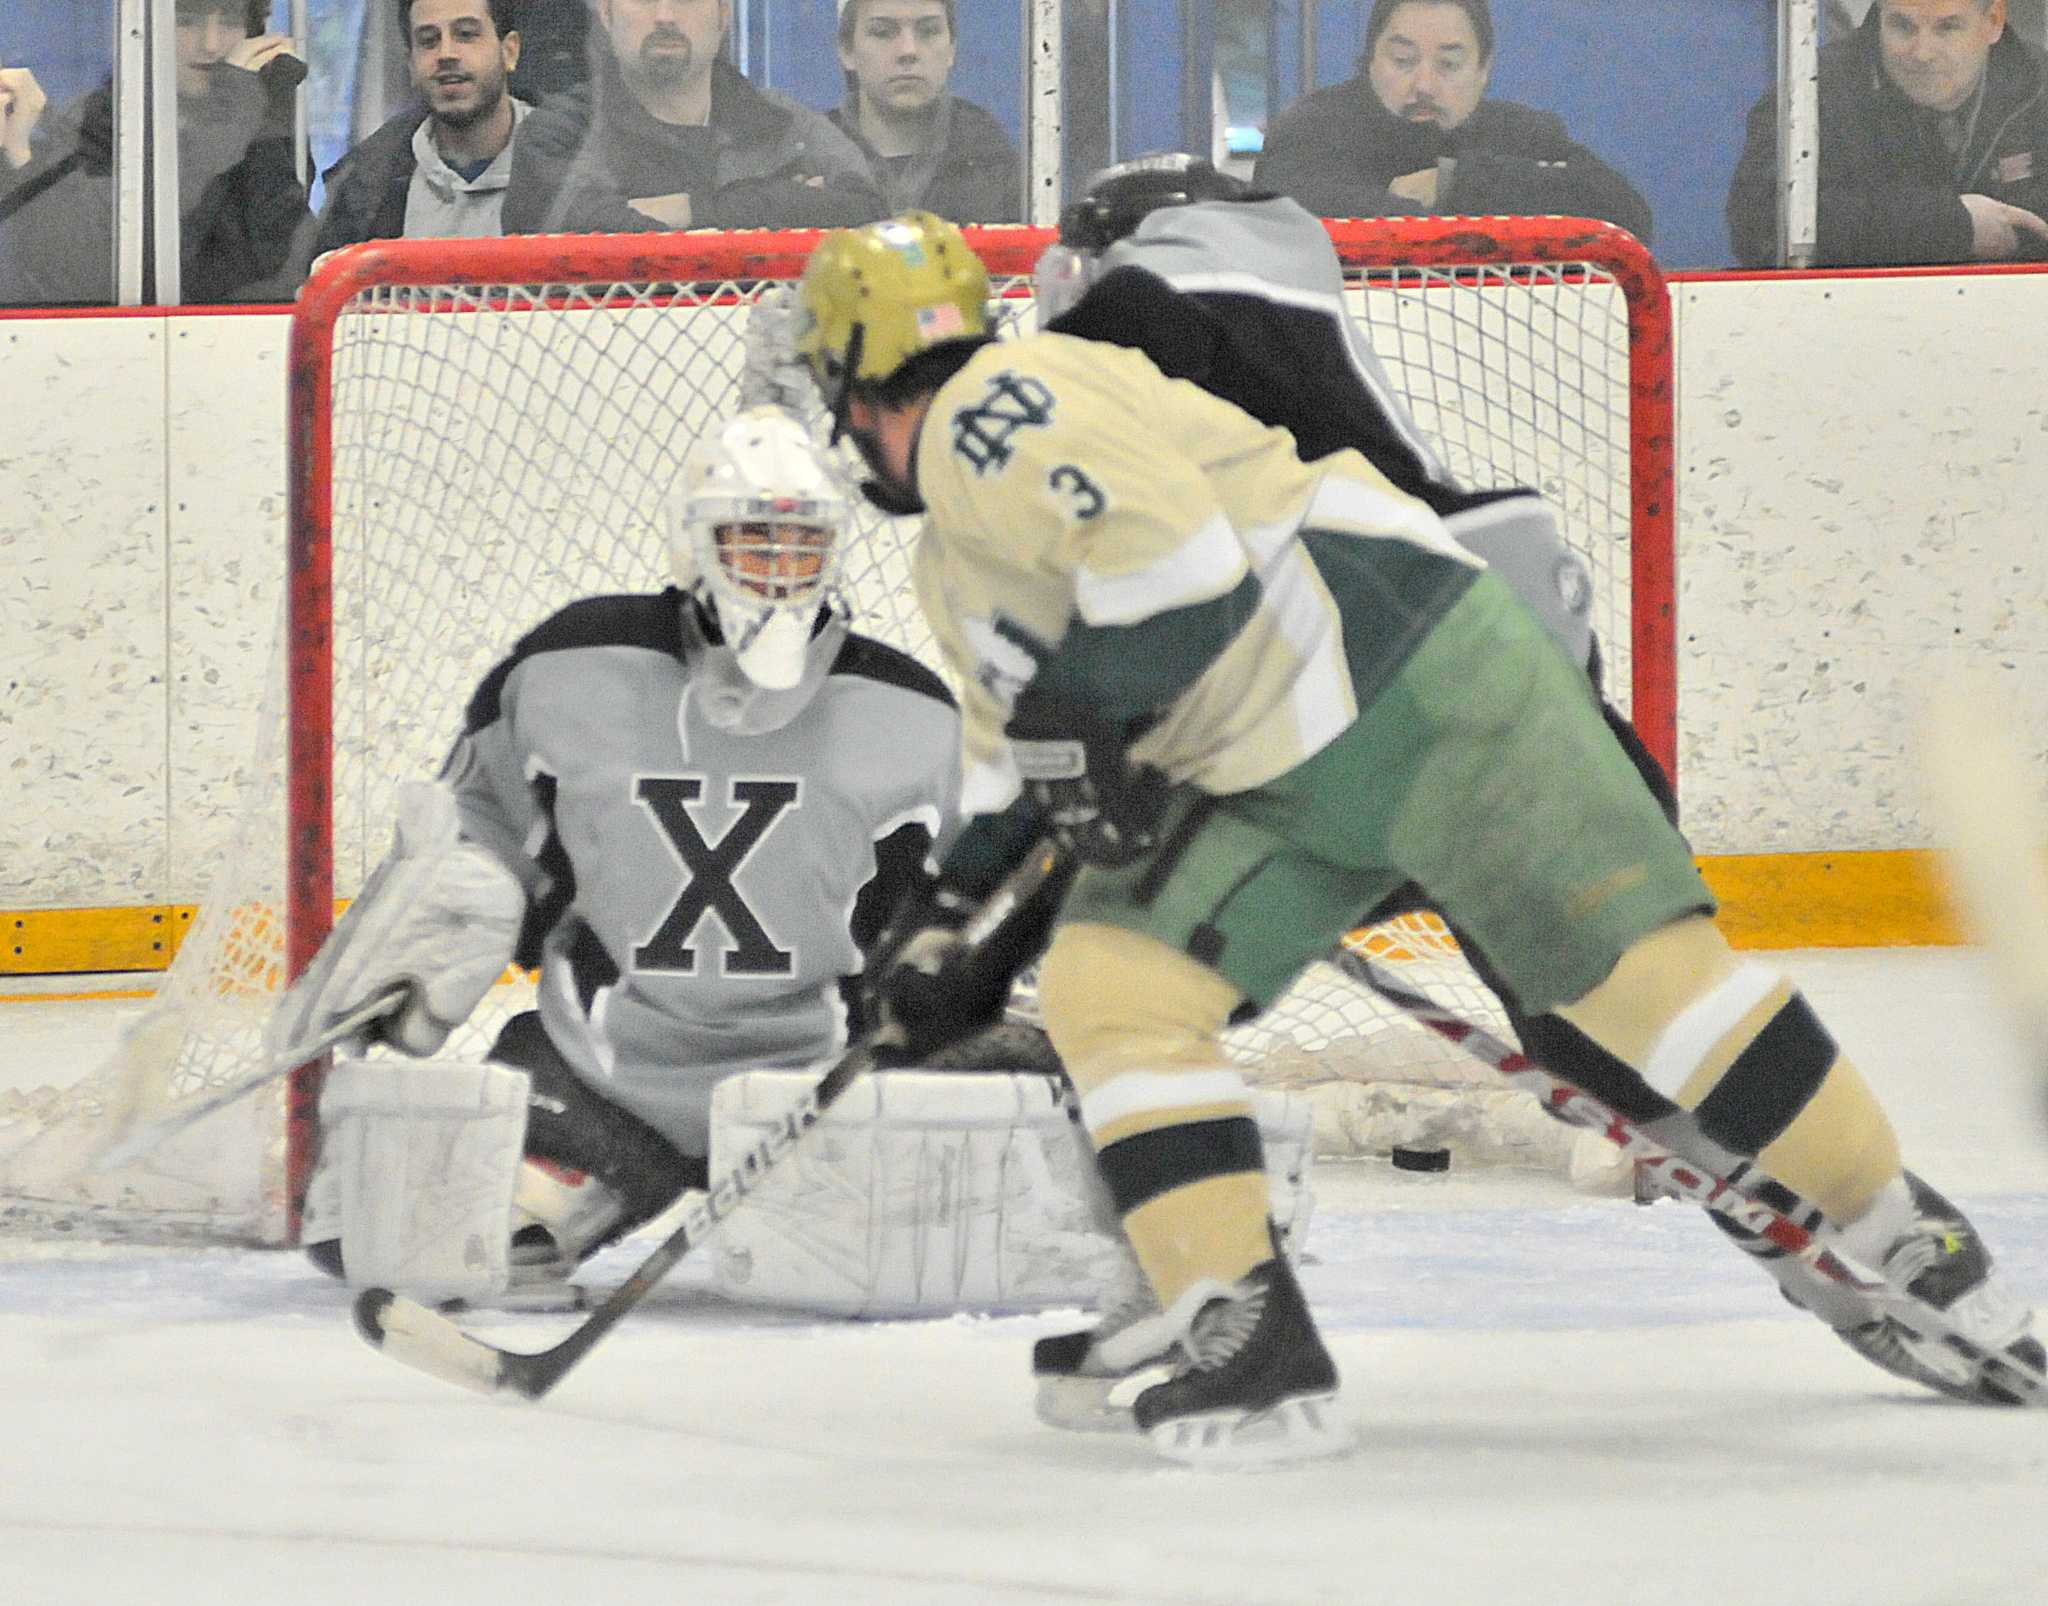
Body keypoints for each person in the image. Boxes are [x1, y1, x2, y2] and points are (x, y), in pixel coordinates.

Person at [795, 211, 2042, 1466]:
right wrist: (941, 928)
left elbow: (1176, 575)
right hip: (1276, 769)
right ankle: (1243, 1335)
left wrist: (1081, 727)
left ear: (858, 383)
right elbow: (1015, 756)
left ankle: (1899, 1230)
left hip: (1413, 681)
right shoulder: (960, 554)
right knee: (1106, 986)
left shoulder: (995, 407)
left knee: (1645, 995)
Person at [273, 407, 963, 1300]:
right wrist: (459, 891)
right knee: (393, 1243)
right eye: (753, 539)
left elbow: (966, 905)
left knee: (952, 1253)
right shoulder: (570, 668)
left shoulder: (913, 714)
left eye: (802, 543)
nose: (779, 569)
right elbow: (480, 814)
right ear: (694, 542)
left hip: (814, 1101)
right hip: (599, 1087)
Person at [1252, 0, 1652, 242]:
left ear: (1483, 70)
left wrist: (1453, 184)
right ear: (1370, 61)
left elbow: (1625, 215)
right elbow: (1290, 210)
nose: (1423, 85)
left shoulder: (1523, 134)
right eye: (1403, 61)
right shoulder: (1311, 130)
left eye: (1449, 64)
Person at [0, 0, 311, 305]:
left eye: (230, 21)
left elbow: (284, 254)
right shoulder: (103, 120)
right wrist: (232, 104)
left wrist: (259, 107)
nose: (211, 44)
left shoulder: (253, 109)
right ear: (147, 31)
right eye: (186, 20)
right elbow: (93, 270)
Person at [501, 0, 883, 235]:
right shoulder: (559, 133)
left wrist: (689, 210)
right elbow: (550, 227)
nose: (665, 15)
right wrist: (780, 202)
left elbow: (868, 212)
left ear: (723, 15)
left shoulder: (784, 124)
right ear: (606, 14)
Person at [1727, 0, 2048, 267]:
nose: (1922, 52)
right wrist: (1953, 226)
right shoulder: (1813, 91)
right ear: (1880, 16)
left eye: (1948, 27)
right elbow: (1760, 225)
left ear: (1993, 21)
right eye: (1902, 26)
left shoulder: (2041, 87)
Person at [303, 0, 532, 267]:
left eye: (466, 34)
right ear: (411, 66)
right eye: (428, 40)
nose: (446, 53)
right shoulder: (364, 188)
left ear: (510, 52)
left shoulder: (574, 167)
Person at [826, 0, 1020, 223]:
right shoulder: (808, 161)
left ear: (951, 50)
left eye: (928, 31)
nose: (908, 50)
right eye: (882, 32)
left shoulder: (993, 159)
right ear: (846, 50)